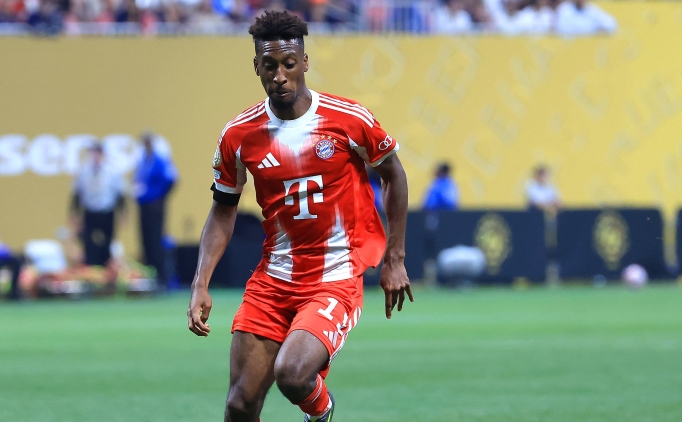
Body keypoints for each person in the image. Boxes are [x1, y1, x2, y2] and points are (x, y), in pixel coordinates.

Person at [187, 10, 413, 422]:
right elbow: (223, 211)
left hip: (334, 277)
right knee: (239, 405)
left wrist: (394, 259)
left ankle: (321, 412)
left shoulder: (348, 119)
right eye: (269, 65)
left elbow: (394, 175)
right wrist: (200, 283)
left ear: (304, 62)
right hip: (273, 278)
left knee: (292, 374)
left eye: (289, 64)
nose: (280, 76)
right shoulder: (238, 135)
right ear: (256, 67)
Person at [70, 142, 127, 267]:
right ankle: (91, 267)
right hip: (90, 211)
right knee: (88, 242)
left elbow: (120, 194)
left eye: (98, 153)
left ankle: (105, 268)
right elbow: (77, 193)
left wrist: (123, 213)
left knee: (107, 242)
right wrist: (74, 213)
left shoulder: (112, 171)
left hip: (107, 211)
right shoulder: (84, 171)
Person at [134, 132, 177, 286]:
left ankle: (161, 276)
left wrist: (159, 198)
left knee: (155, 239)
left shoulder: (159, 160)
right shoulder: (143, 161)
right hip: (143, 206)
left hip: (155, 206)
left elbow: (171, 180)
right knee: (145, 240)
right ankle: (149, 273)